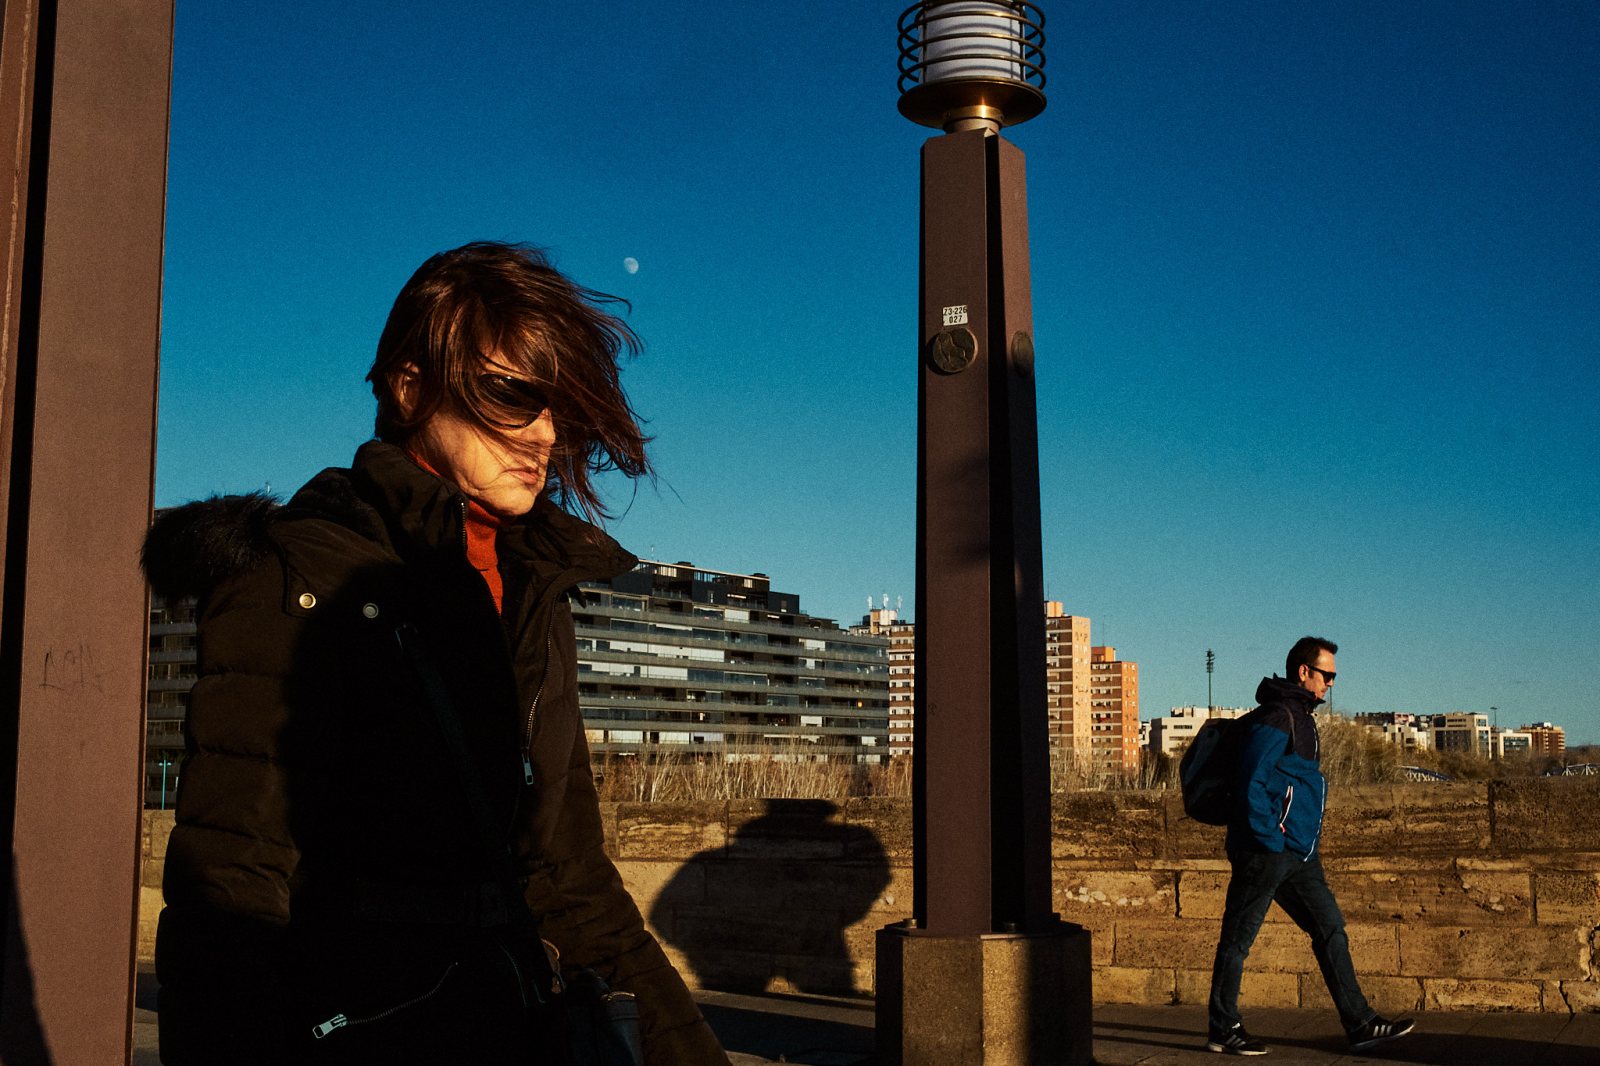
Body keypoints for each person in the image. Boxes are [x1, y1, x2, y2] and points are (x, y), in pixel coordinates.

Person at [143, 241, 728, 1065]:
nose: (545, 434)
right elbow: (230, 897)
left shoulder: (530, 585)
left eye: (560, 407)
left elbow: (572, 883)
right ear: (410, 386)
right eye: (513, 396)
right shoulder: (301, 578)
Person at [1204, 637, 1414, 1056]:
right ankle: (1222, 1028)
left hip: (1299, 853)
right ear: (1304, 672)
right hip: (1267, 850)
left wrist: (1293, 840)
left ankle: (1360, 1024)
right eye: (1327, 675)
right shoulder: (1279, 717)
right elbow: (1251, 783)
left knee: (1330, 927)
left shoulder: (1299, 715)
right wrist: (1271, 837)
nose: (1331, 684)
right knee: (1238, 940)